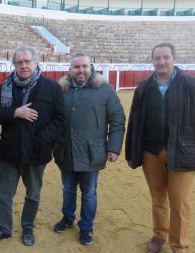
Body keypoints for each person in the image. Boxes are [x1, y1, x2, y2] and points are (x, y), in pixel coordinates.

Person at [125, 42, 195, 253]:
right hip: (151, 153)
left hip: (182, 152)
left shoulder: (194, 85)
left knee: (180, 202)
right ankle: (159, 235)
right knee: (158, 199)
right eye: (157, 58)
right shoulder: (144, 89)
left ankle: (179, 246)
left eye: (166, 57)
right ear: (152, 60)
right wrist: (131, 153)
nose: (162, 62)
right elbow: (134, 123)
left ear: (174, 58)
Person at [0, 45, 65, 246]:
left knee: (33, 195)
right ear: (14, 64)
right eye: (19, 62)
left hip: (37, 152)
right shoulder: (5, 86)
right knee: (4, 195)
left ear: (36, 62)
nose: (23, 66)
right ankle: (4, 228)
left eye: (27, 61)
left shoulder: (52, 88)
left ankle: (28, 228)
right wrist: (14, 112)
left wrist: (40, 140)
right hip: (9, 151)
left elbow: (60, 121)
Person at [52, 53, 125, 245]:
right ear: (70, 70)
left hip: (93, 152)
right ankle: (68, 218)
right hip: (65, 150)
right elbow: (51, 119)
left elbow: (117, 119)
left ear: (91, 68)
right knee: (68, 189)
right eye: (76, 67)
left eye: (84, 66)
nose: (80, 70)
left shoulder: (104, 89)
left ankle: (86, 227)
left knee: (89, 192)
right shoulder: (60, 90)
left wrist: (114, 148)